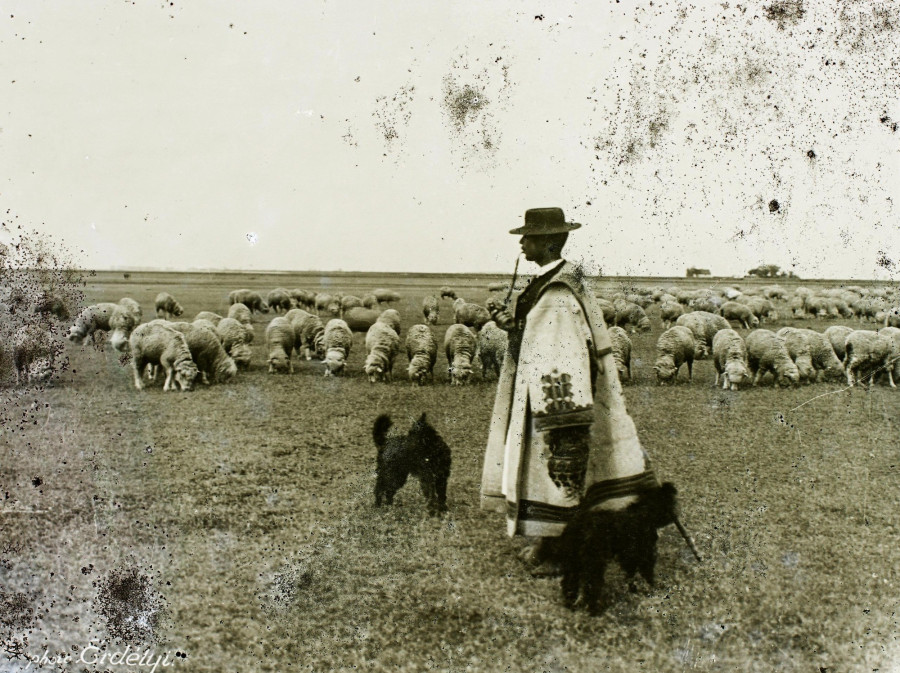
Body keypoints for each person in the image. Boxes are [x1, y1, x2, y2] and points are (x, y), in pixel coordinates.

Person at [481, 207, 657, 575]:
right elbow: (538, 336)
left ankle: (562, 551)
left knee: (559, 473)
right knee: (553, 475)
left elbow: (564, 347)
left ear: (547, 242)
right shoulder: (554, 281)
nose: (522, 242)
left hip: (556, 399)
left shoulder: (558, 291)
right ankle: (550, 543)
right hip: (548, 393)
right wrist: (513, 326)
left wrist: (562, 411)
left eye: (528, 236)